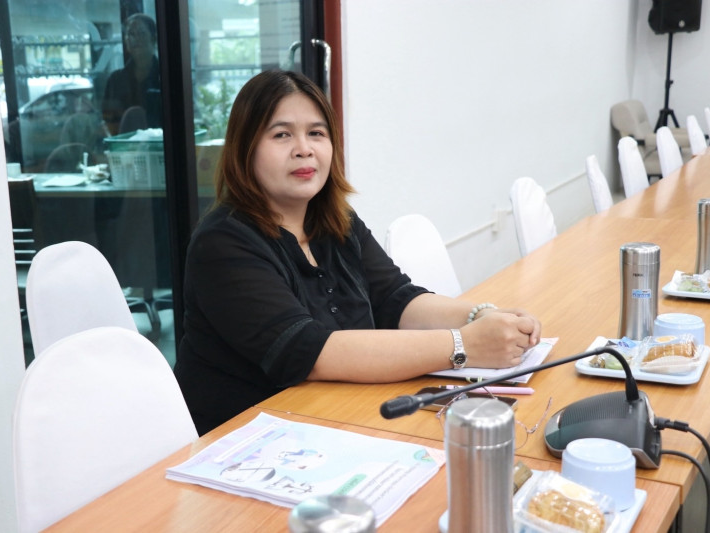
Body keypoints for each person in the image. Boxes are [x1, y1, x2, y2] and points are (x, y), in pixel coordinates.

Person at [174, 70, 541, 435]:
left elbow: (396, 299)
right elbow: (310, 353)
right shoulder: (222, 243)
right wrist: (465, 345)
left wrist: (481, 315)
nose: (304, 149)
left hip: (336, 416)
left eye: (316, 133)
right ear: (245, 149)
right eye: (282, 134)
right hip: (250, 439)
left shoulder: (337, 220)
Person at [102, 13, 161, 136]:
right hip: (124, 145)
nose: (135, 38)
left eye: (141, 33)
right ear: (126, 41)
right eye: (131, 34)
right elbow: (108, 119)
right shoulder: (115, 80)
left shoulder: (166, 76)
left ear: (153, 38)